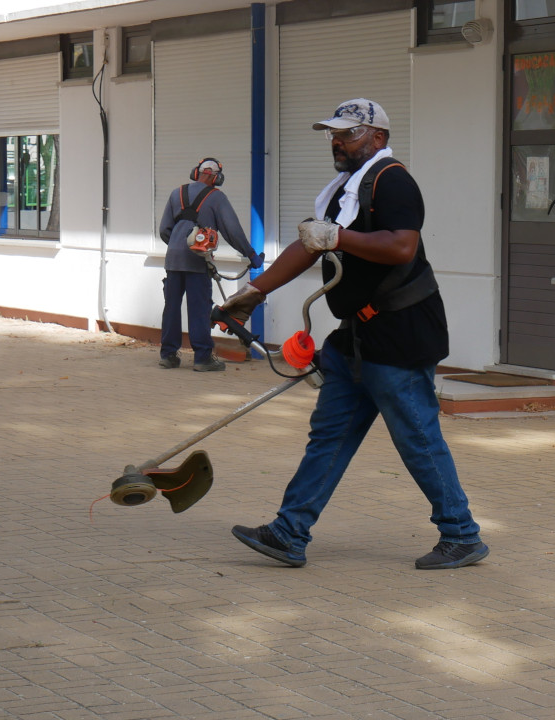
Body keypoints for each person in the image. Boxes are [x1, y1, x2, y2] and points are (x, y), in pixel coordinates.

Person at [221, 98, 489, 570]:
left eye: (348, 134)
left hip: (399, 334)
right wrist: (254, 292)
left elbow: (402, 246)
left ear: (378, 139)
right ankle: (289, 532)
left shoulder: (394, 181)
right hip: (356, 339)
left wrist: (338, 239)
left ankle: (462, 535)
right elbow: (311, 244)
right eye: (334, 134)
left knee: (418, 439)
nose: (337, 142)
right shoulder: (344, 189)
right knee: (328, 436)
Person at [157, 157, 263, 372]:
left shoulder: (176, 193)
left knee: (171, 308)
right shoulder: (216, 197)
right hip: (197, 261)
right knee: (200, 309)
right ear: (217, 177)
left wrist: (178, 244)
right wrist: (251, 254)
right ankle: (202, 357)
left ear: (196, 172)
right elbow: (232, 230)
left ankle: (168, 355)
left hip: (173, 259)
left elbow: (164, 230)